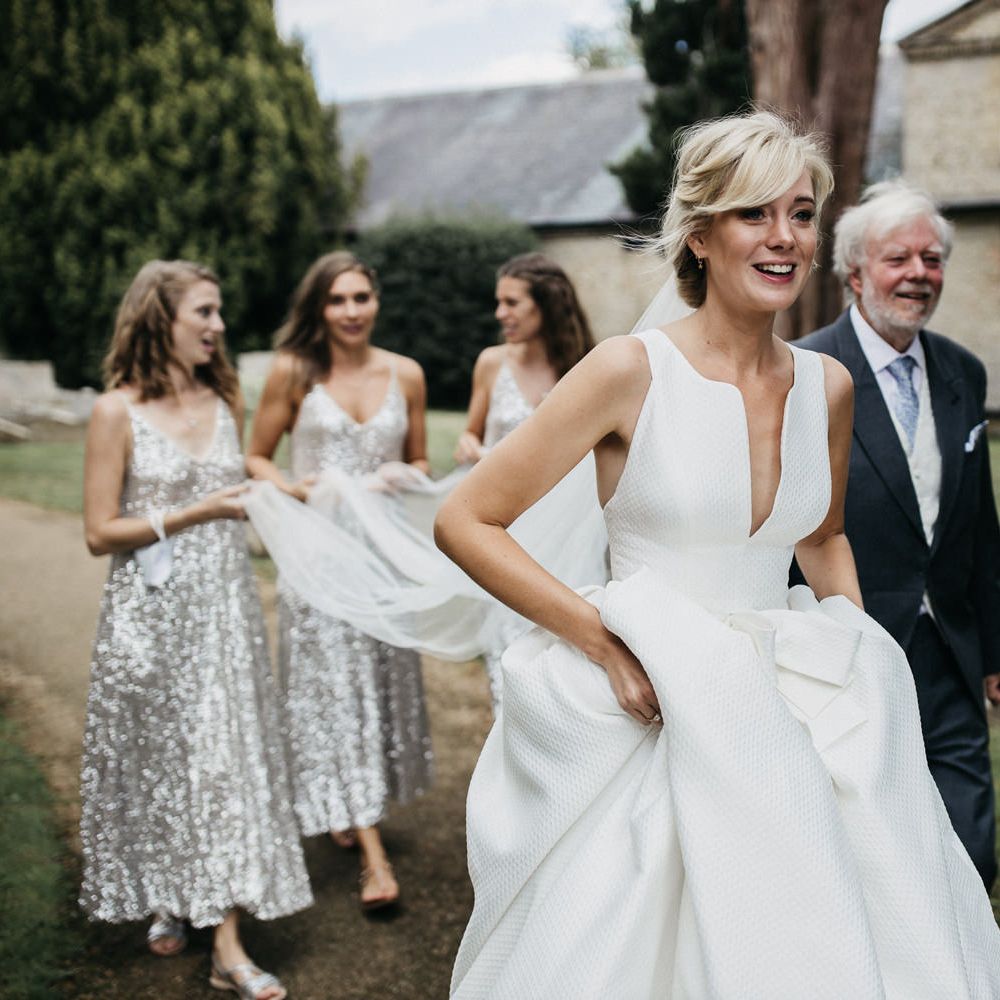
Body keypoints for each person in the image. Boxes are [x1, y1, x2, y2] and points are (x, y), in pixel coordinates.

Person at [436, 112, 1000, 998]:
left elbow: (821, 535)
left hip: (795, 685)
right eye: (753, 214)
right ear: (699, 235)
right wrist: (603, 643)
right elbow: (467, 519)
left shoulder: (827, 386)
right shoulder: (629, 371)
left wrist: (857, 646)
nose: (785, 237)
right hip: (654, 700)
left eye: (802, 214)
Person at [80, 260, 311, 1000]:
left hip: (223, 614)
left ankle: (227, 948)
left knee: (222, 762)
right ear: (161, 318)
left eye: (218, 312)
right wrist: (197, 512)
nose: (218, 326)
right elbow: (98, 532)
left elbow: (239, 492)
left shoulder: (224, 397)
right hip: (148, 618)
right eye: (204, 313)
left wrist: (282, 496)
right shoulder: (115, 411)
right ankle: (167, 888)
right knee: (160, 759)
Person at [794, 180, 1000, 888]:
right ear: (855, 274)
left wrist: (994, 650)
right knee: (866, 849)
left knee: (972, 850)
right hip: (849, 644)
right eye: (898, 259)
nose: (919, 273)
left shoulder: (964, 372)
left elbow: (980, 528)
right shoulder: (805, 372)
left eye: (931, 259)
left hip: (950, 650)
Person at [247, 251, 433, 911]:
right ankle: (375, 860)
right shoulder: (294, 372)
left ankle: (349, 801)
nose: (351, 311)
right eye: (337, 300)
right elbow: (256, 457)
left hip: (382, 561)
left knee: (373, 688)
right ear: (319, 308)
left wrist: (399, 474)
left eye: (361, 297)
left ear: (375, 301)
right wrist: (296, 489)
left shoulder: (406, 374)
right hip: (318, 558)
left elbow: (419, 459)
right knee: (333, 690)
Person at [454, 253, 595, 705]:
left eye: (512, 303)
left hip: (569, 541)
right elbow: (471, 432)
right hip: (505, 534)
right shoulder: (491, 364)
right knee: (509, 667)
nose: (500, 314)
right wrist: (469, 446)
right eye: (499, 303)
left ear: (546, 304)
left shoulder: (585, 367)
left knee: (568, 668)